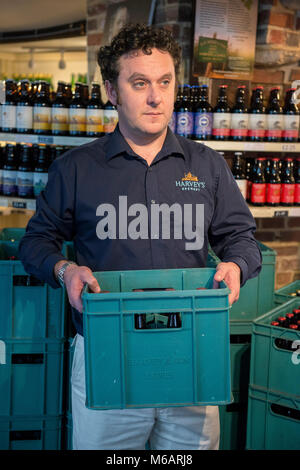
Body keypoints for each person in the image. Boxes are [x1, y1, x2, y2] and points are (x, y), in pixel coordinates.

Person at [19, 23, 262, 450]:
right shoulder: (76, 168)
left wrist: (237, 265)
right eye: (140, 83)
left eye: (165, 82)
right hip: (106, 352)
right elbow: (36, 241)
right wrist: (65, 270)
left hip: (190, 352)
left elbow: (240, 236)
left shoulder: (206, 165)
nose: (156, 97)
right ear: (112, 91)